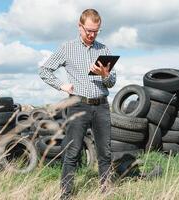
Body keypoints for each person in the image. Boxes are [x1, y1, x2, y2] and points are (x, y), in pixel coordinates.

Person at [39, 8, 116, 199]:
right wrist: (61, 85)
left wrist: (105, 74)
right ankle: (66, 194)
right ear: (79, 26)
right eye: (88, 30)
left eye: (96, 31)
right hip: (78, 105)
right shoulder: (67, 48)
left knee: (105, 152)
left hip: (101, 105)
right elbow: (45, 71)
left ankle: (105, 191)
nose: (91, 35)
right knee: (72, 151)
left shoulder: (103, 49)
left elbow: (112, 82)